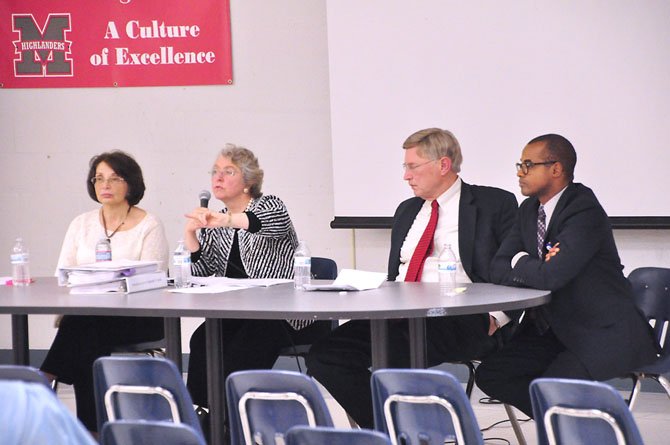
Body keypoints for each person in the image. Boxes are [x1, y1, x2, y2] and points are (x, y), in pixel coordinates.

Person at [306, 127, 519, 428]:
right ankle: (391, 431)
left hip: (462, 315)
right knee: (326, 355)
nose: (406, 176)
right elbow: (398, 275)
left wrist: (497, 317)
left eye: (412, 166)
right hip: (400, 313)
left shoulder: (493, 204)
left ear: (443, 165)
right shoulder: (407, 211)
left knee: (394, 352)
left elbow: (514, 266)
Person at [474, 133, 659, 417]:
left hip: (600, 330)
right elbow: (496, 266)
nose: (519, 173)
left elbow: (552, 277)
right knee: (492, 374)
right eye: (519, 165)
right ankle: (567, 423)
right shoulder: (528, 210)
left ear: (556, 169)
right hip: (554, 329)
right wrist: (533, 263)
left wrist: (521, 260)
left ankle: (569, 423)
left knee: (553, 388)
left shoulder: (583, 210)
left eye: (528, 165)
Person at [184, 144, 326, 412]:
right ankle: (202, 417)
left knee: (245, 343)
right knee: (203, 337)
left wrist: (222, 221)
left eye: (228, 171)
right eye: (215, 172)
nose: (218, 178)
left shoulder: (271, 205)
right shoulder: (219, 221)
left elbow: (261, 223)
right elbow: (202, 273)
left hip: (283, 315)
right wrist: (192, 237)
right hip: (238, 314)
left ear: (248, 181)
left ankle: (230, 421)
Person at [41, 150, 170, 433]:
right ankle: (93, 429)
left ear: (131, 184)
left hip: (138, 318)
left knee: (83, 328)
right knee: (87, 333)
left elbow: (152, 280)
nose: (105, 185)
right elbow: (62, 275)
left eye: (114, 178)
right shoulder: (81, 224)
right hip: (90, 317)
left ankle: (46, 380)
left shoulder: (149, 224)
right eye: (99, 178)